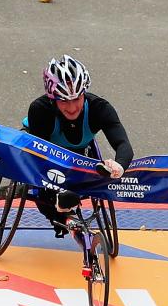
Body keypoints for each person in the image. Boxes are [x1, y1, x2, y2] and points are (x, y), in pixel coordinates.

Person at [25, 55, 134, 236]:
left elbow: (123, 144)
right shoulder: (40, 110)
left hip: (81, 153)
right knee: (46, 195)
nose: (72, 107)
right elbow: (39, 162)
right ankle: (63, 216)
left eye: (77, 98)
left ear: (84, 93)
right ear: (52, 99)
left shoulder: (100, 108)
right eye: (64, 101)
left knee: (94, 178)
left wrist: (119, 166)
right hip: (49, 156)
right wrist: (57, 191)